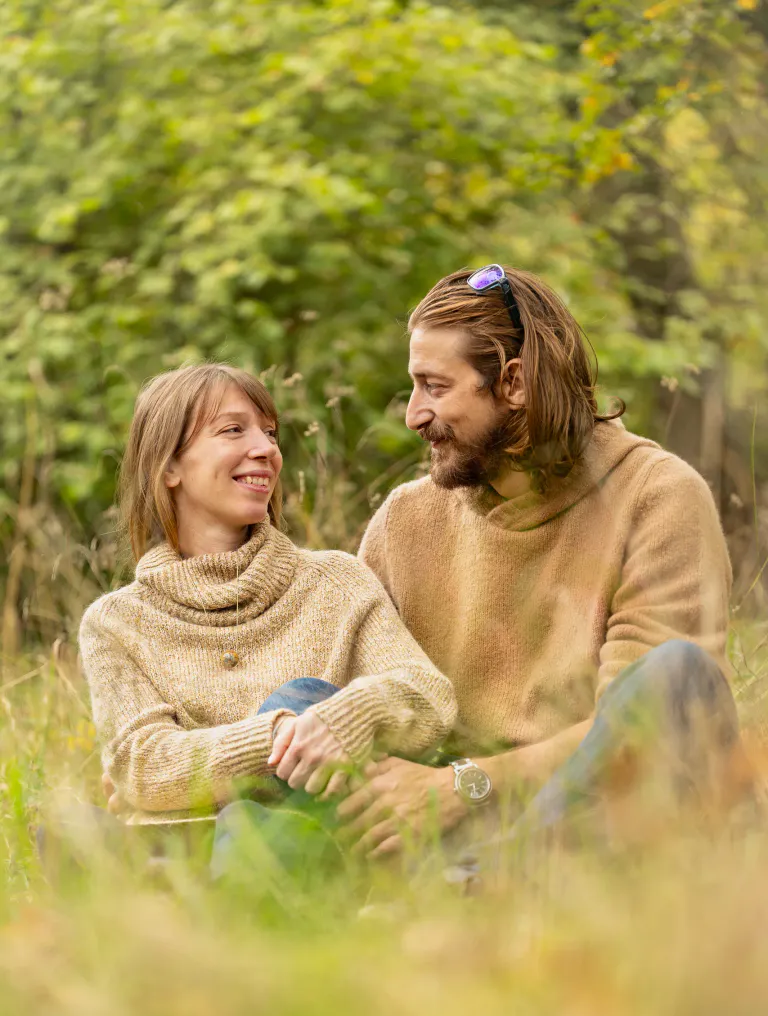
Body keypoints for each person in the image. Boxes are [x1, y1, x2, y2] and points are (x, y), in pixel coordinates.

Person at [341, 264, 746, 858]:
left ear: (514, 384)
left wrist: (468, 784)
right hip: (435, 821)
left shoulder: (656, 497)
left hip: (589, 819)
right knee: (302, 707)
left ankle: (504, 883)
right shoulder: (406, 519)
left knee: (675, 675)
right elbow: (369, 708)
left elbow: (637, 732)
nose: (412, 415)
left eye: (434, 386)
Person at [77, 363, 456, 872]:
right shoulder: (116, 622)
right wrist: (278, 734)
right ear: (169, 466)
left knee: (307, 697)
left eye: (270, 432)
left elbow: (429, 698)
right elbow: (142, 766)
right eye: (234, 430)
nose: (266, 449)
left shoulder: (335, 582)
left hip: (326, 846)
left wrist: (346, 716)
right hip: (195, 850)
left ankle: (183, 885)